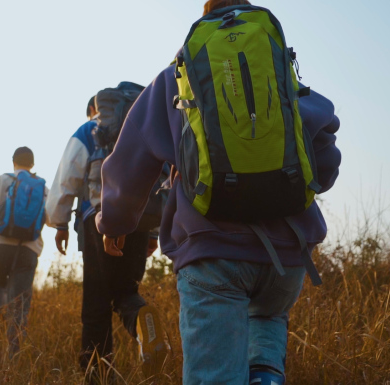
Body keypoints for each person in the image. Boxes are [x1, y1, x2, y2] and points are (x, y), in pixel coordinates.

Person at [95, 1, 342, 384]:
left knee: (215, 376)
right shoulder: (278, 70)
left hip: (212, 252)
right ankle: (265, 374)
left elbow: (131, 159)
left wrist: (114, 223)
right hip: (288, 254)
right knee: (267, 315)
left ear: (206, 14)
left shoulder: (177, 77)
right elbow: (325, 155)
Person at [45, 97, 165, 380]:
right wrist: (153, 232)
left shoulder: (88, 131)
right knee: (126, 292)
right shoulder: (141, 130)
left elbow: (67, 179)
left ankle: (99, 376)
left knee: (97, 305)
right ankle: (141, 322)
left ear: (93, 111)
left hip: (98, 222)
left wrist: (59, 223)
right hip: (138, 219)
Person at [0, 146, 47, 358]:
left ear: (13, 161)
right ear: (32, 164)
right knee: (20, 301)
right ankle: (13, 354)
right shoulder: (42, 187)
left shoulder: (3, 180)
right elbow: (51, 219)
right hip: (28, 249)